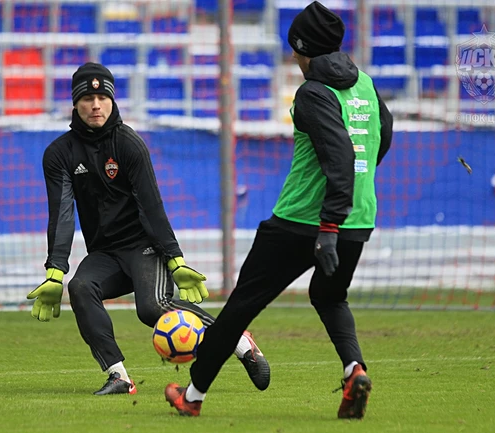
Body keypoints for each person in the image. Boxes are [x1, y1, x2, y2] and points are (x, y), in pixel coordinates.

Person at [165, 1, 393, 419]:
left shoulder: (312, 93)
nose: (293, 57)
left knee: (241, 307)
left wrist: (328, 224)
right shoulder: (366, 84)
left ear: (304, 49)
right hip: (359, 217)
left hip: (302, 221)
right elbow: (383, 136)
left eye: (295, 49)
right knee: (330, 296)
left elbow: (340, 155)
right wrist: (352, 195)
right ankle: (354, 371)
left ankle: (192, 396)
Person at [26, 62, 270, 396]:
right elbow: (62, 213)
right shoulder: (59, 154)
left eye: (102, 97)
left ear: (112, 101)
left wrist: (175, 259)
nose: (96, 105)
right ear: (75, 103)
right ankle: (118, 376)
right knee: (80, 287)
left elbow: (151, 206)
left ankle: (240, 342)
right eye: (87, 98)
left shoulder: (129, 144)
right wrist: (55, 271)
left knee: (152, 308)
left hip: (144, 246)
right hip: (105, 254)